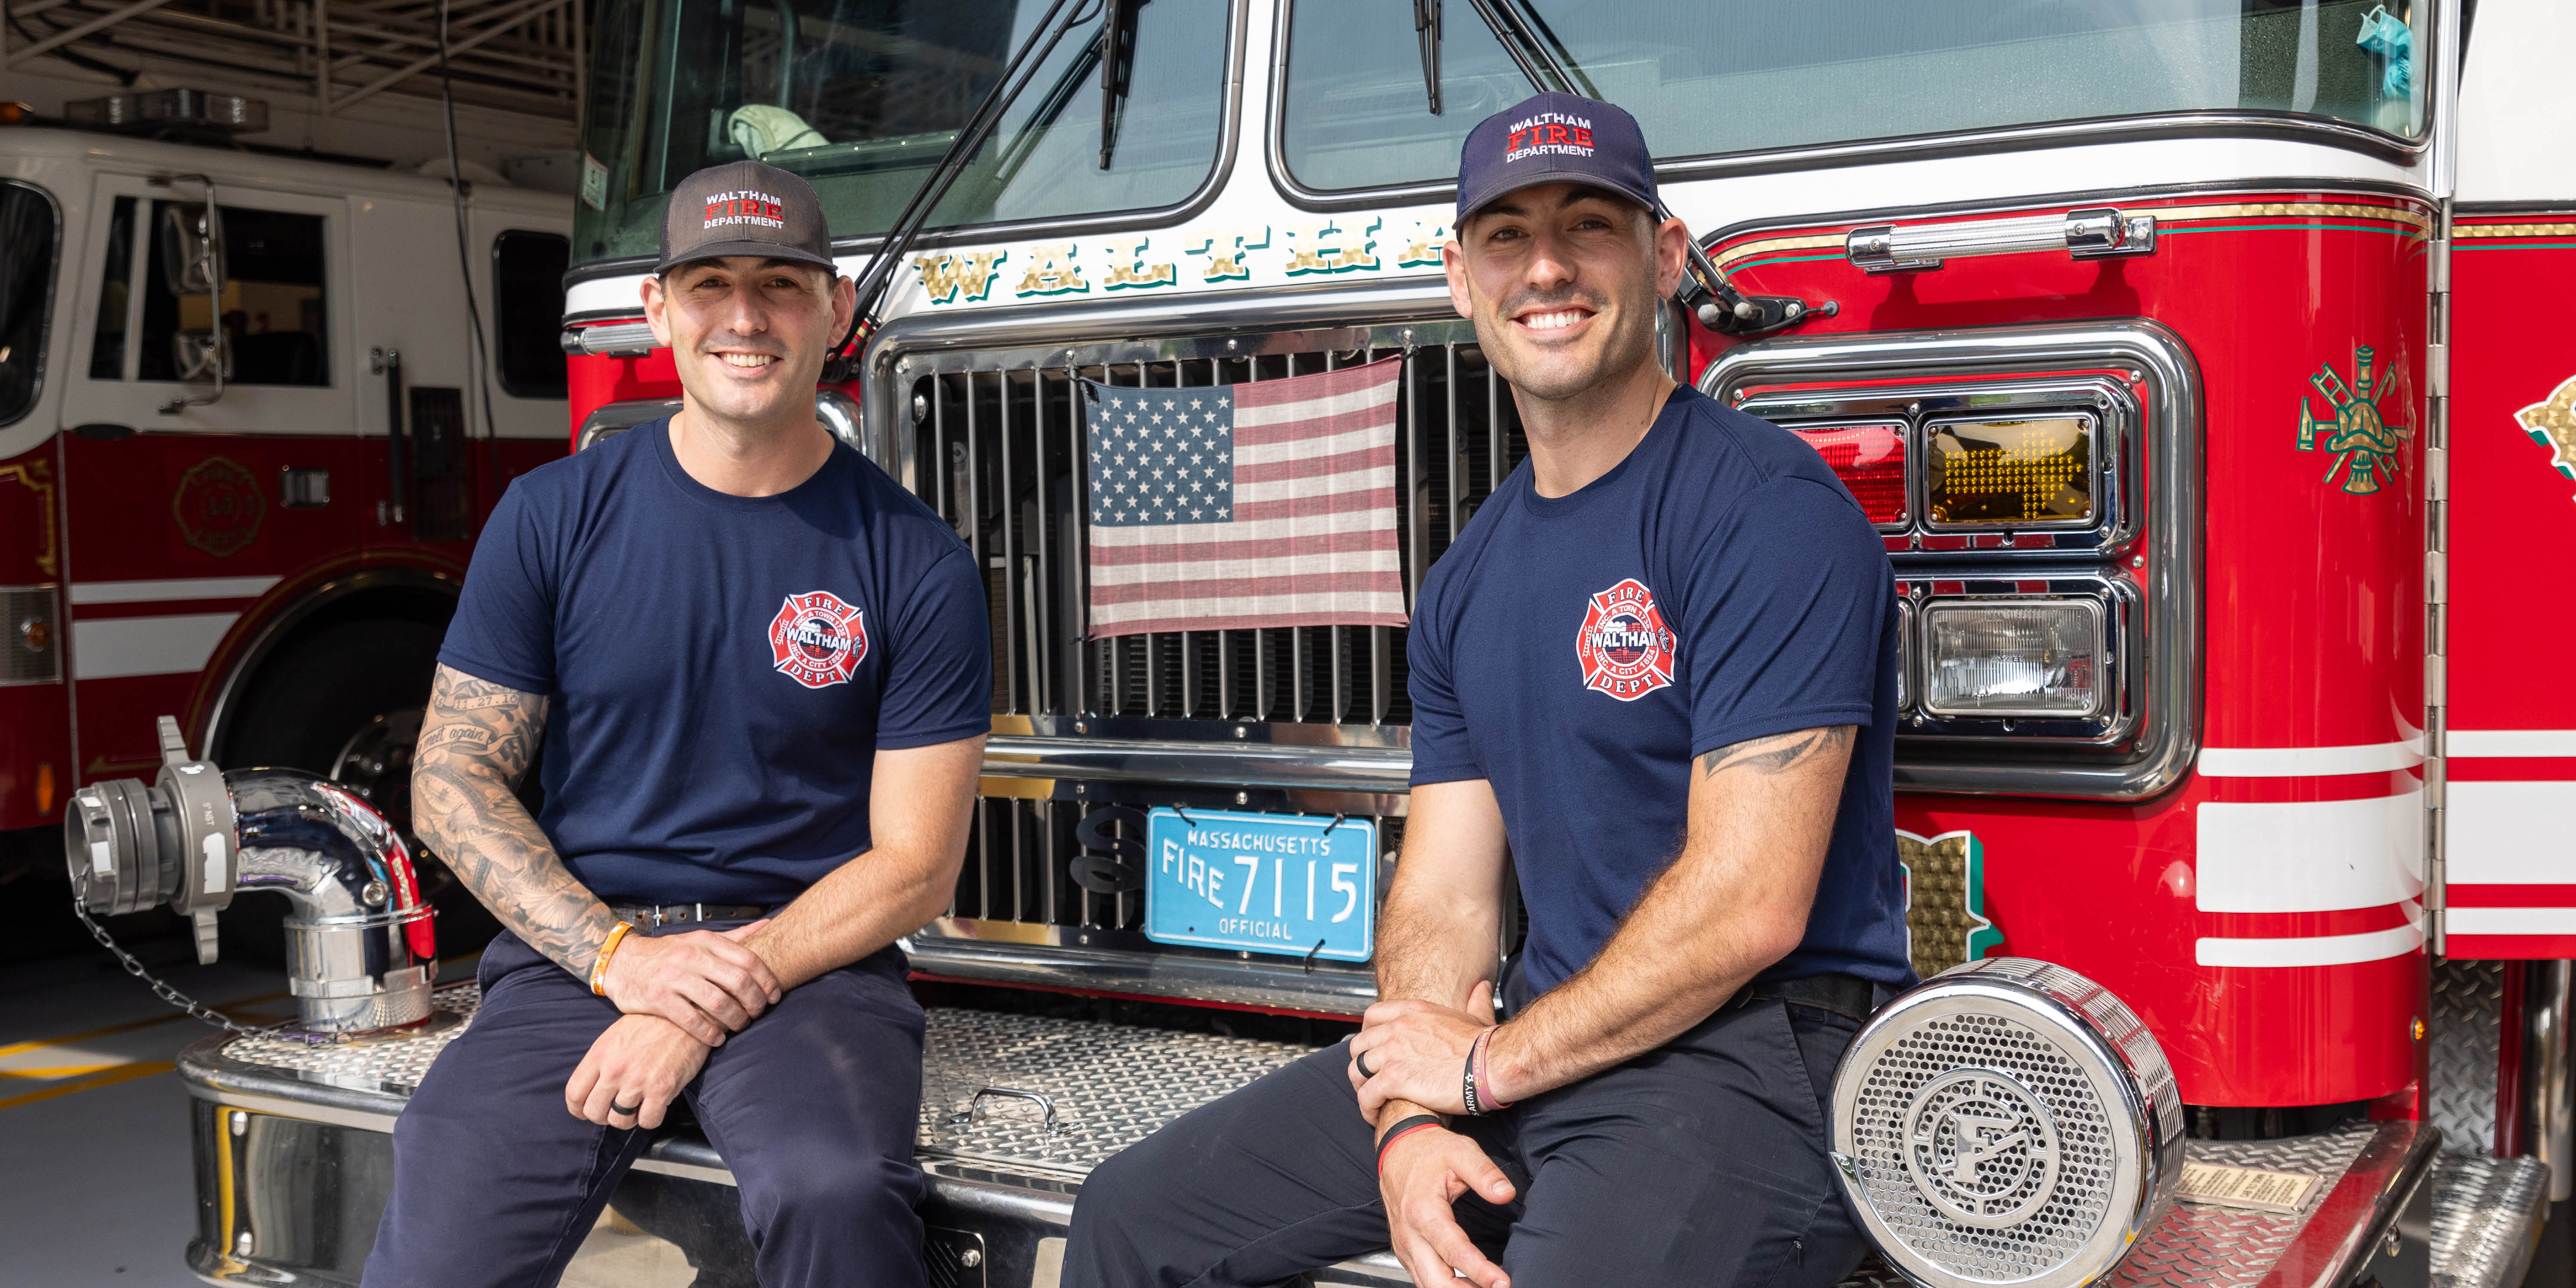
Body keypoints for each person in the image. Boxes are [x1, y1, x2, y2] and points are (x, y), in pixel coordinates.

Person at [1062, 93, 1915, 1288]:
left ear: (1666, 258)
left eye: (1590, 227)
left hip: (1747, 1056)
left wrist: (1481, 1072)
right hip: (1532, 1045)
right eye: (1508, 236)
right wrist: (1412, 1117)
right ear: (1461, 276)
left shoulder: (1766, 513)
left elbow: (1749, 908)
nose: (1548, 267)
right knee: (1134, 1218)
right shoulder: (1468, 579)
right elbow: (1445, 903)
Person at [365, 160, 990, 1288]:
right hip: (577, 955)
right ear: (657, 309)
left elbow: (915, 867)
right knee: (441, 1209)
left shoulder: (918, 563)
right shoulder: (552, 518)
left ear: (836, 310)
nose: (745, 318)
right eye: (710, 284)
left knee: (834, 1195)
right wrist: (622, 961)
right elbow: (453, 778)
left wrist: (696, 998)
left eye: (782, 285)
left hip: (814, 965)